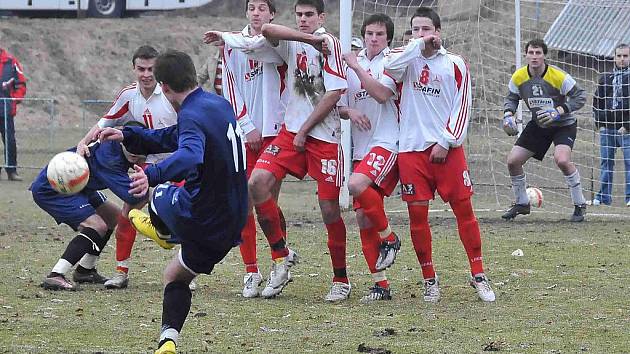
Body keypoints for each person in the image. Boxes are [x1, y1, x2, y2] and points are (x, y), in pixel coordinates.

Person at [97, 49, 248, 354]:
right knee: (174, 276)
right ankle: (168, 340)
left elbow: (190, 153)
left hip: (203, 216)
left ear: (164, 87)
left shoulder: (192, 114)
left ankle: (165, 232)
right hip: (234, 220)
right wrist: (128, 136)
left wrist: (150, 174)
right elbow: (172, 137)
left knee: (162, 191)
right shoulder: (217, 105)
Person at [207, 0, 350, 302]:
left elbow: (335, 92)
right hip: (287, 132)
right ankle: (279, 259)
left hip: (318, 136)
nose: (303, 19)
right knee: (254, 186)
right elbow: (266, 35)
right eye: (299, 14)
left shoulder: (330, 44)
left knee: (328, 209)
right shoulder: (285, 42)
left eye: (309, 15)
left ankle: (341, 278)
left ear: (321, 16)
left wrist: (304, 129)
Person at [382, 6, 495, 302]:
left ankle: (478, 274)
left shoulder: (455, 64)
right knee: (417, 217)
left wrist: (447, 141)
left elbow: (463, 106)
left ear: (438, 32)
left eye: (426, 29)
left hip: (447, 150)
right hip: (410, 152)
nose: (421, 35)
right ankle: (429, 279)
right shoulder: (404, 60)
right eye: (415, 30)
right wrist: (416, 46)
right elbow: (388, 70)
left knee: (464, 212)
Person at [204, 0, 291, 298]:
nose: (256, 12)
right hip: (246, 133)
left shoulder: (278, 41)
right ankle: (251, 271)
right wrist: (245, 124)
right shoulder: (229, 46)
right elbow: (229, 86)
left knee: (269, 204)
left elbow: (259, 47)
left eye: (262, 8)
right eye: (251, 7)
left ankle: (279, 263)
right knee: (243, 204)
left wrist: (227, 37)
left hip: (275, 132)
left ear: (272, 14)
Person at [76, 45, 178, 289]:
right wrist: (83, 142)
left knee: (180, 213)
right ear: (134, 69)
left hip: (176, 161)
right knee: (127, 214)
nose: (146, 74)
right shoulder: (128, 95)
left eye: (151, 69)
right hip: (147, 164)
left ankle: (186, 271)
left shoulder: (171, 93)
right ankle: (121, 272)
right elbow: (105, 121)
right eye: (141, 69)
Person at [338, 13, 400, 302]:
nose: (374, 38)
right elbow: (337, 105)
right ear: (363, 35)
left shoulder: (393, 61)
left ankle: (390, 238)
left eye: (379, 34)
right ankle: (381, 285)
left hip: (387, 142)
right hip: (360, 147)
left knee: (355, 185)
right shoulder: (352, 61)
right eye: (369, 33)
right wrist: (349, 112)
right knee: (362, 217)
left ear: (387, 37)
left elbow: (381, 95)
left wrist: (356, 67)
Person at [31, 140, 147, 290]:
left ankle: (85, 271)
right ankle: (56, 275)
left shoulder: (118, 146)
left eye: (140, 146)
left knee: (114, 216)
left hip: (81, 186)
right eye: (130, 145)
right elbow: (132, 196)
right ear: (121, 141)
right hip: (55, 189)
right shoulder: (110, 159)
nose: (134, 151)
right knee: (97, 225)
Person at [502, 38, 587, 221]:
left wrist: (559, 110)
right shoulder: (518, 77)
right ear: (526, 55)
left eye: (538, 53)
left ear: (544, 56)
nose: (534, 57)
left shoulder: (558, 76)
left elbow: (580, 96)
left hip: (563, 125)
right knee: (513, 161)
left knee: (562, 160)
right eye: (531, 53)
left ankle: (579, 205)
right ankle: (522, 203)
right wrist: (508, 114)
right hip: (539, 123)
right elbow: (511, 98)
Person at [592, 43, 630, 206]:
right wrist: (600, 122)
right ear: (614, 57)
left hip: (626, 129)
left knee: (629, 163)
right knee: (606, 162)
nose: (622, 59)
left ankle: (629, 197)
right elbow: (597, 101)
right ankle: (603, 197)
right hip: (607, 127)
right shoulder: (606, 78)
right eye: (619, 56)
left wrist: (628, 126)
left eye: (625, 56)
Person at [0, 47, 27, 181]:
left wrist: (14, 100)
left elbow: (21, 84)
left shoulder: (11, 62)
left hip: (6, 110)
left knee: (9, 141)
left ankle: (12, 171)